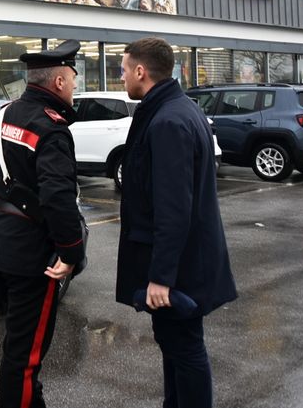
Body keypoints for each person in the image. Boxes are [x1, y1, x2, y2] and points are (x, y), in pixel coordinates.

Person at [0, 40, 86, 408]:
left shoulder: (1, 115)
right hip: (35, 259)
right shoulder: (52, 128)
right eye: (73, 79)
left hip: (2, 246)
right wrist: (70, 253)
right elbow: (57, 197)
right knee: (25, 360)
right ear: (59, 82)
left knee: (19, 347)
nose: (75, 87)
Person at [116, 37, 237, 408]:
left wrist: (161, 277)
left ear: (141, 71)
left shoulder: (168, 120)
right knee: (175, 344)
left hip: (179, 268)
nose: (121, 78)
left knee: (184, 349)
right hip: (186, 260)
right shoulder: (176, 108)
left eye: (122, 70)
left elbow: (173, 208)